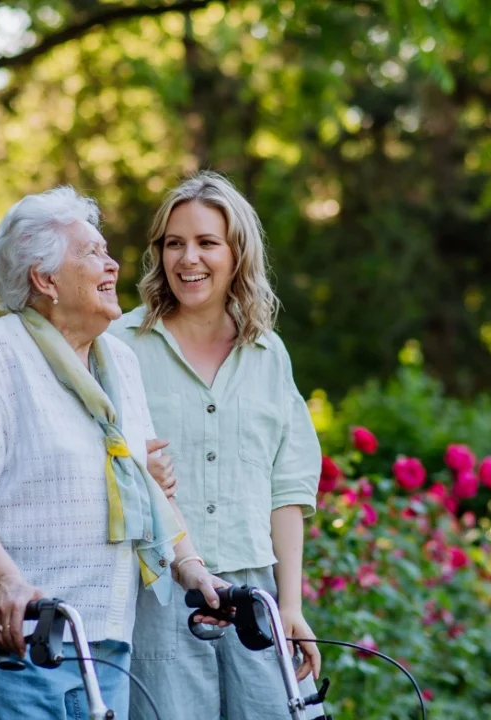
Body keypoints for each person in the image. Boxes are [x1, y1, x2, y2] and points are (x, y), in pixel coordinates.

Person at [0, 186, 226, 720]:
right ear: (45, 279)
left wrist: (193, 569)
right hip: (16, 639)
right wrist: (4, 580)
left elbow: (144, 485)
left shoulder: (119, 362)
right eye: (92, 253)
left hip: (103, 636)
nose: (113, 264)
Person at [110, 172, 323, 719]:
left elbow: (287, 489)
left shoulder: (268, 353)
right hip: (158, 592)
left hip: (255, 595)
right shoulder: (118, 347)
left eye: (207, 242)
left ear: (237, 253)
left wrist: (291, 607)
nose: (188, 259)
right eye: (174, 243)